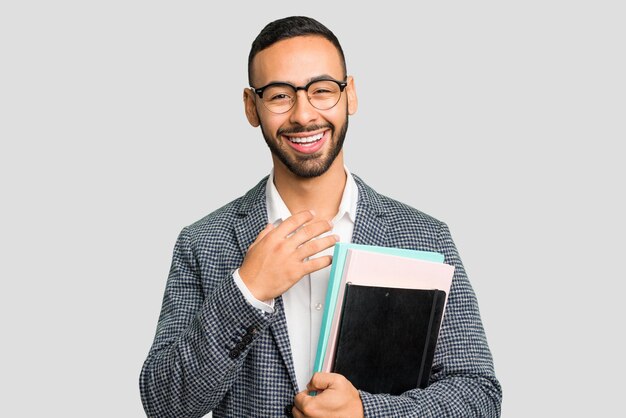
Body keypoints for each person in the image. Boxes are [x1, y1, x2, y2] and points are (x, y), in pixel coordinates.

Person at [140, 16, 502, 418]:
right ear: (251, 106)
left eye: (322, 90)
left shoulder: (426, 237)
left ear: (351, 95)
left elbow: (478, 396)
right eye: (279, 95)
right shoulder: (203, 243)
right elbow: (165, 404)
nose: (303, 114)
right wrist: (248, 291)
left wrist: (367, 413)